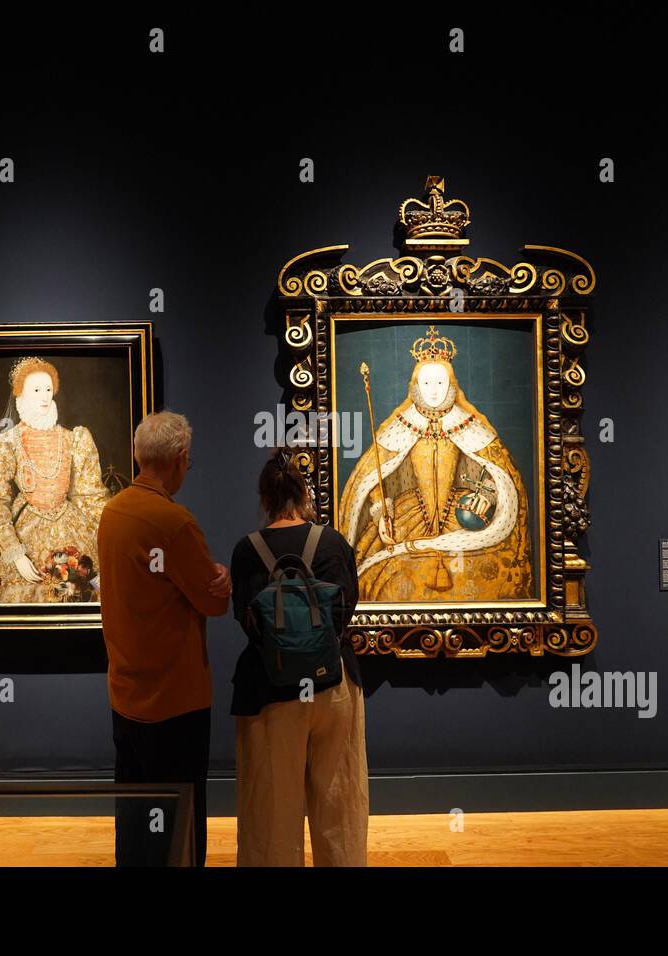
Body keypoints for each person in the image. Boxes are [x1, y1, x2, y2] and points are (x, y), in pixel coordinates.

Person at [96, 410, 231, 866]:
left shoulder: (111, 513)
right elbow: (212, 602)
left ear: (138, 455)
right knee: (180, 824)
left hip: (125, 694)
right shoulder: (174, 523)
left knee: (134, 820)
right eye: (187, 462)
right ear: (177, 459)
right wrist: (221, 580)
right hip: (176, 701)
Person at [229, 448, 368, 866]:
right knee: (339, 808)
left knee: (272, 818)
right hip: (334, 685)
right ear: (303, 493)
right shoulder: (333, 542)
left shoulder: (247, 550)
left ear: (264, 498)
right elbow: (348, 609)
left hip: (270, 691)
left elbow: (245, 619)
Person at [336, 325, 531, 602]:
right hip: (409, 519)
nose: (434, 391)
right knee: (384, 578)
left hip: (461, 518)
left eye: (440, 383)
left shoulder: (470, 425)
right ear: (415, 386)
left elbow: (498, 472)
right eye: (427, 383)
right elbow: (376, 477)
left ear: (452, 385)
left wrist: (486, 494)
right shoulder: (400, 427)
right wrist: (383, 515)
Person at [0, 356, 112, 603]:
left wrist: (113, 531)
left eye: (48, 389)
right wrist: (15, 552)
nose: (44, 396)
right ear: (21, 394)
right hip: (25, 524)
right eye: (36, 390)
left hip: (70, 523)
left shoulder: (74, 438)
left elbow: (89, 494)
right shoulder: (3, 442)